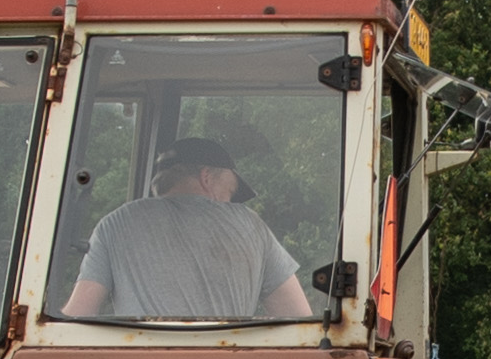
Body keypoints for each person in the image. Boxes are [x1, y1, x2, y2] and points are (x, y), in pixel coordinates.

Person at [61, 133, 315, 322]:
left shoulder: (114, 224)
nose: (228, 204)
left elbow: (77, 315)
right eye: (230, 192)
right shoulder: (251, 226)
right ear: (206, 177)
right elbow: (298, 319)